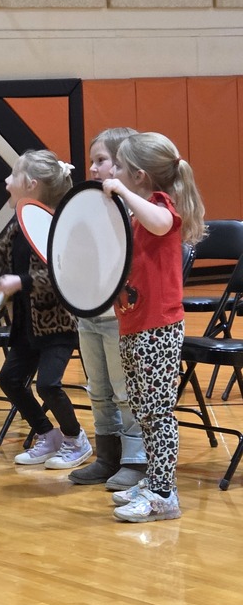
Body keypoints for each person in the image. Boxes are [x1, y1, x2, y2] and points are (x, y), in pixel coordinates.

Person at [0, 150, 92, 466]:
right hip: (25, 324)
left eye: (12, 176)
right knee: (10, 380)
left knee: (48, 384)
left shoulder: (60, 225)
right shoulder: (19, 225)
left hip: (58, 325)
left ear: (31, 184)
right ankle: (48, 435)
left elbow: (65, 273)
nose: (5, 182)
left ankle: (76, 440)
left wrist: (22, 282)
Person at [105, 132, 205, 522]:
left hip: (158, 328)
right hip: (133, 324)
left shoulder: (162, 205)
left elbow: (163, 225)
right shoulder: (137, 211)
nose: (113, 172)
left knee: (158, 412)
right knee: (144, 410)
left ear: (140, 176)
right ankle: (153, 481)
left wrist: (123, 195)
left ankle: (164, 493)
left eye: (119, 168)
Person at [67, 128, 147, 487]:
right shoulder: (88, 207)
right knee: (97, 388)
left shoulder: (137, 210)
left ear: (124, 165)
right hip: (90, 314)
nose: (94, 168)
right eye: (92, 161)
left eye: (101, 160)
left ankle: (136, 460)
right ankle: (107, 456)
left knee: (124, 389)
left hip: (121, 317)